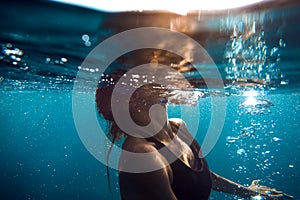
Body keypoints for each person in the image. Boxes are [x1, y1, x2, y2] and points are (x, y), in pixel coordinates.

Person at [96, 73, 293, 200]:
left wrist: (249, 192)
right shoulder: (142, 156)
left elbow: (204, 177)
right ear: (139, 97)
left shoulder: (178, 127)